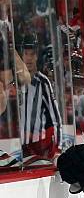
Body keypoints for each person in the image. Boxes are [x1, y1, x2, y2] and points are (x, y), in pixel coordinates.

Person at [17, 33, 62, 167]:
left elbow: (56, 120)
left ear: (37, 56)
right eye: (26, 53)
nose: (29, 58)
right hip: (20, 149)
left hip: (40, 150)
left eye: (32, 54)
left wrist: (58, 149)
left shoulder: (43, 82)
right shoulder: (15, 83)